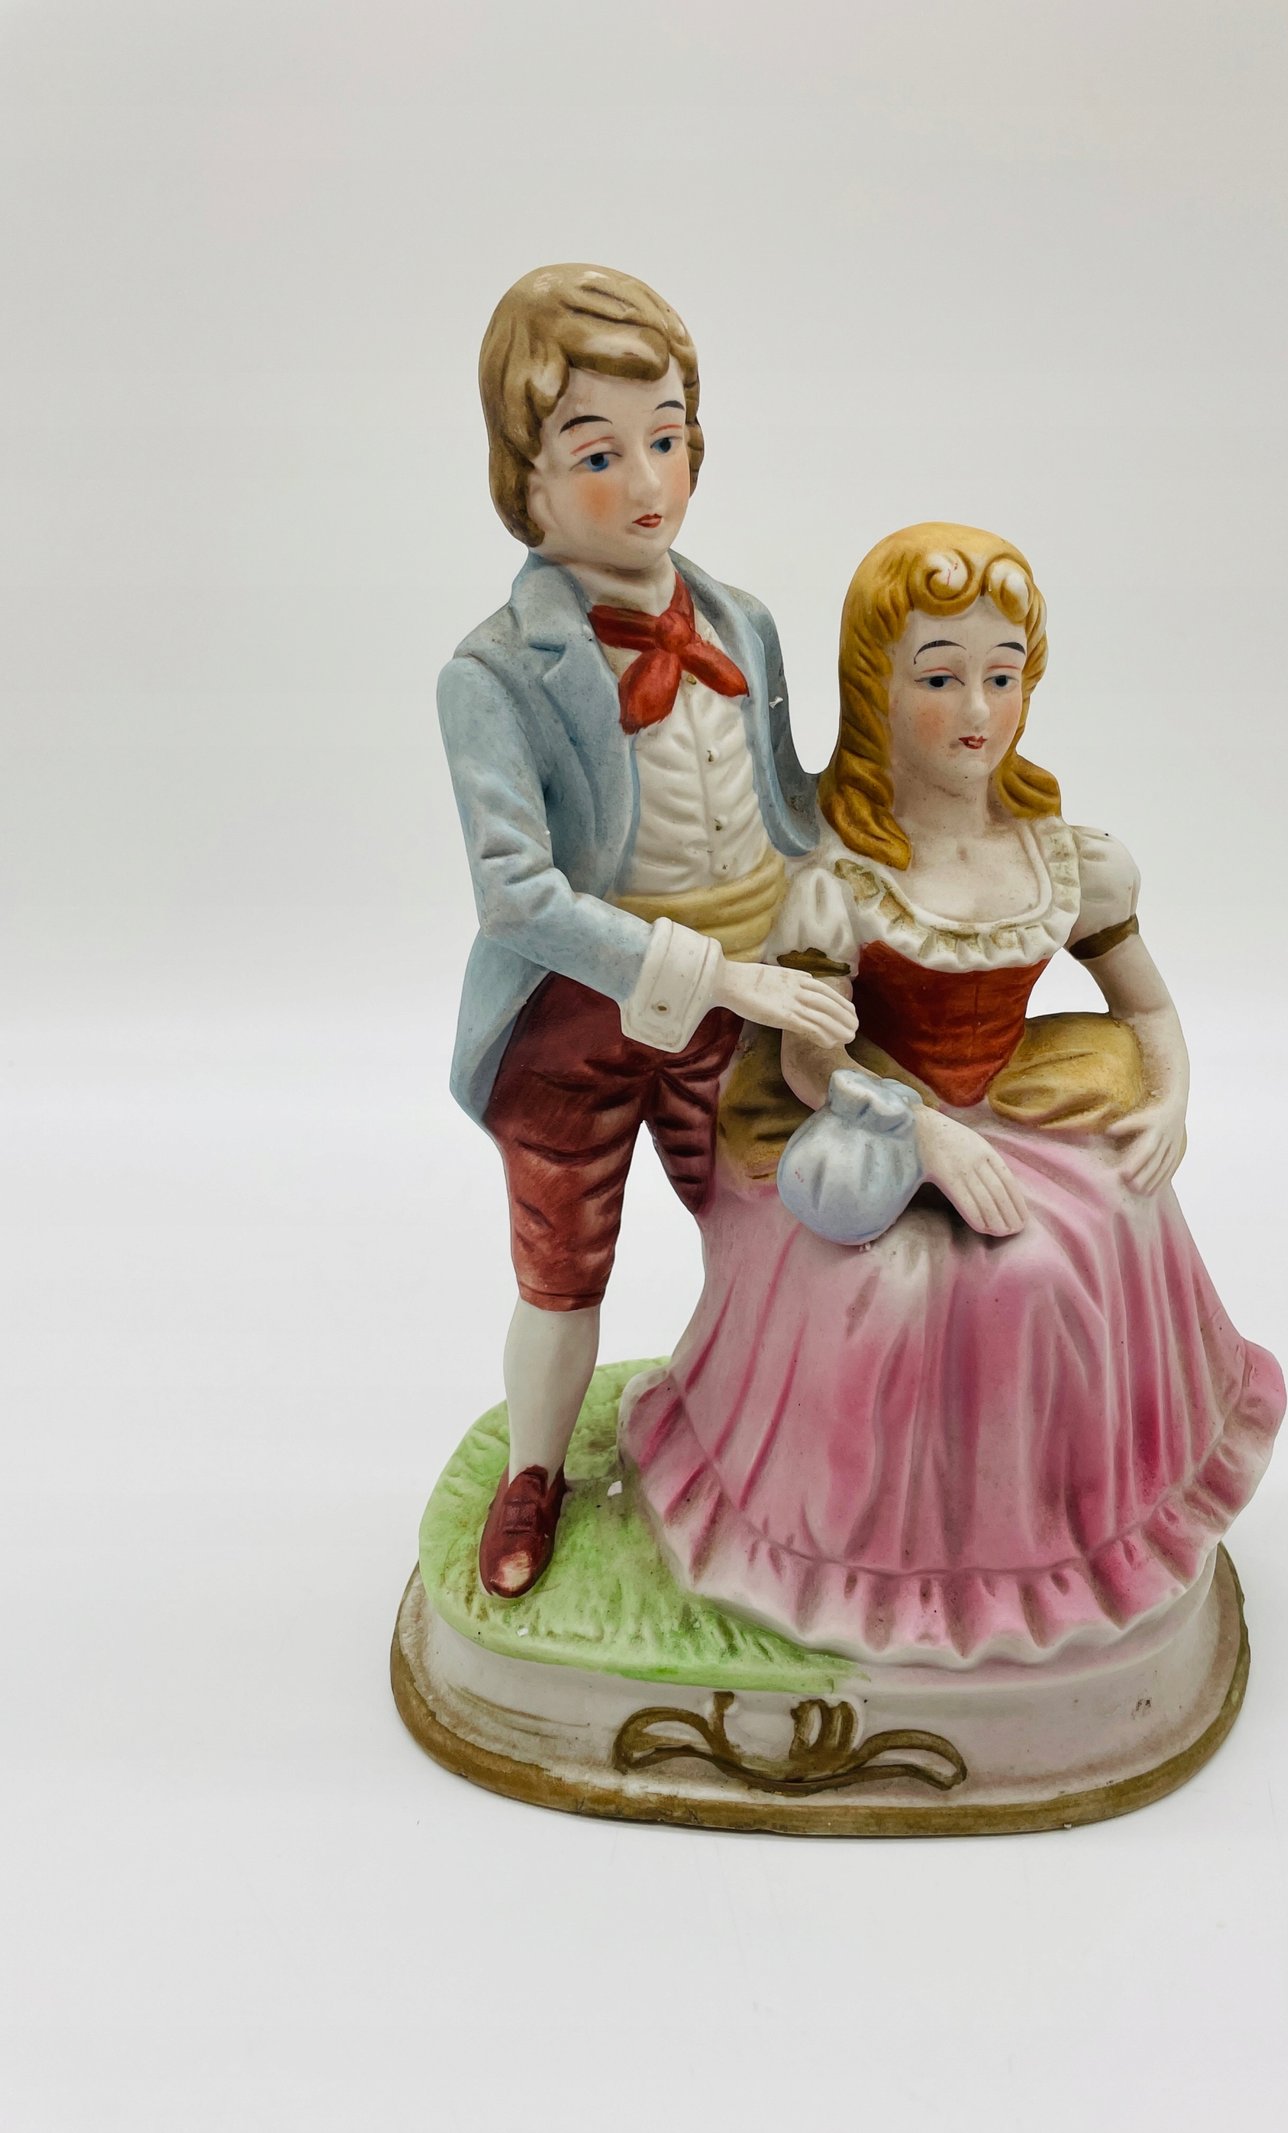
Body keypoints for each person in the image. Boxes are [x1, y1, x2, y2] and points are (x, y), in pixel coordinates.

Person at [621, 523, 1285, 1668]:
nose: (978, 709)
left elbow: (1146, 1007)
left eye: (1002, 675)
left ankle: (1075, 1545)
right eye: (938, 678)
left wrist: (1170, 1100)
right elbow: (810, 1059)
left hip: (1024, 1104)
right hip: (869, 1116)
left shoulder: (1063, 859)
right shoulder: (839, 874)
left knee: (1068, 1251)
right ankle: (866, 1571)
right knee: (891, 1291)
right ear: (874, 688)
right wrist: (922, 1133)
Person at [439, 265, 855, 1598]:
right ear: (526, 479)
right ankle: (536, 1473)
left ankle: (757, 1446)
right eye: (598, 453)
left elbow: (788, 812)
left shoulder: (743, 625)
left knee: (774, 1229)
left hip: (742, 1009)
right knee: (561, 1274)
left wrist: (851, 894)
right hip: (576, 1018)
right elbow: (518, 893)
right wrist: (721, 975)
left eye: (666, 439)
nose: (646, 481)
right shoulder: (493, 672)